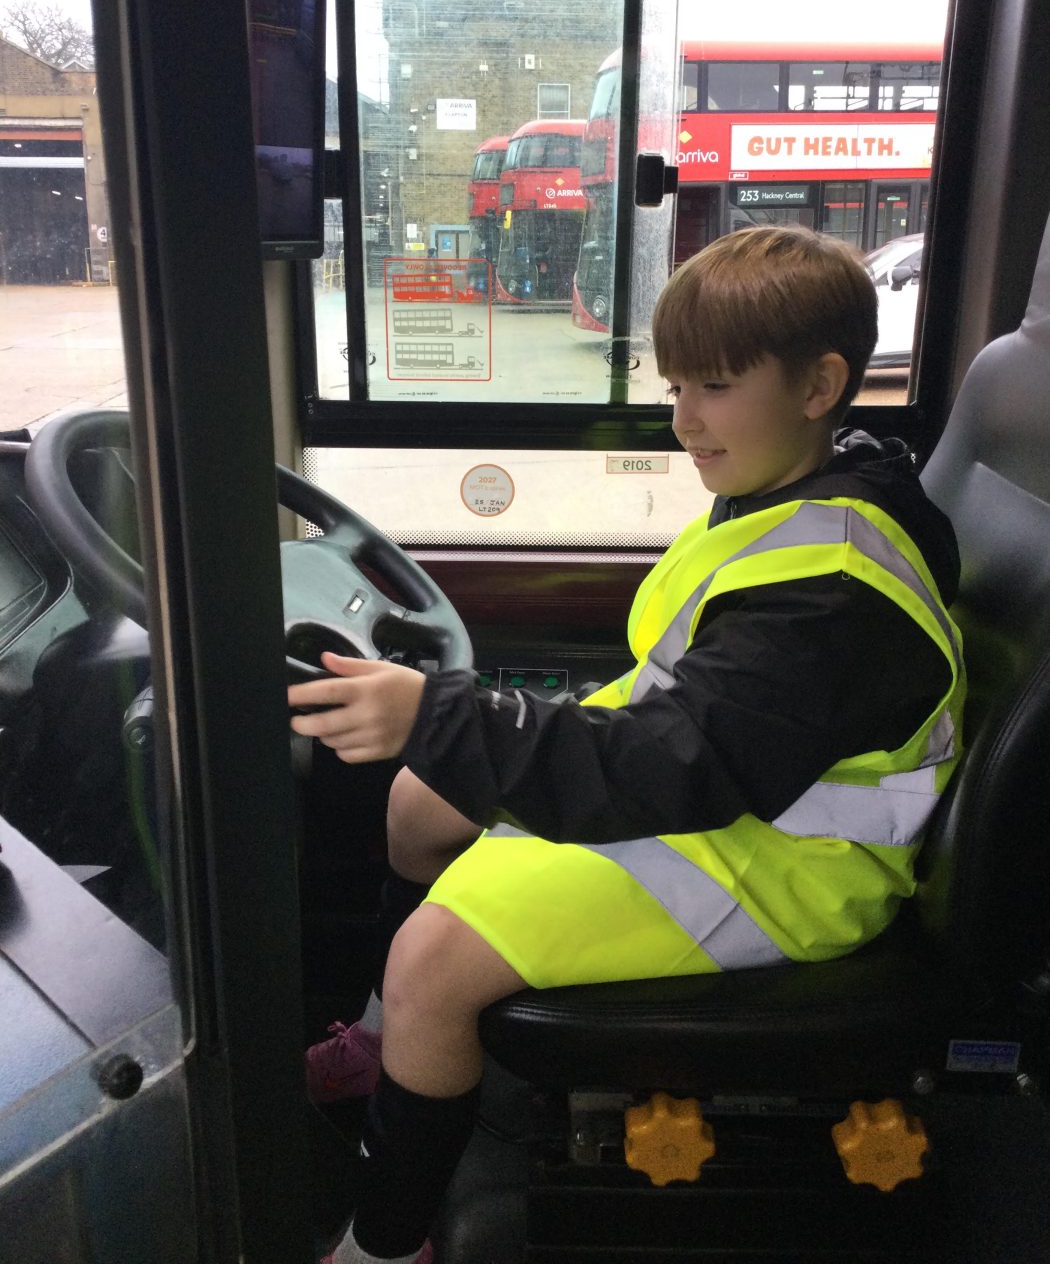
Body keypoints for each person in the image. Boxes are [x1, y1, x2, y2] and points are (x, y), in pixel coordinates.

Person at [288, 224, 965, 1264]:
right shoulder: (788, 487)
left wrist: (439, 715)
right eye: (677, 384)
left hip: (788, 862)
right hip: (730, 791)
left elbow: (677, 765)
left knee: (432, 961)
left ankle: (384, 1243)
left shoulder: (831, 594)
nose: (683, 418)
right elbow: (685, 699)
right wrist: (462, 733)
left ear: (822, 384)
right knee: (421, 801)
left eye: (716, 387)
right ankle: (387, 1052)